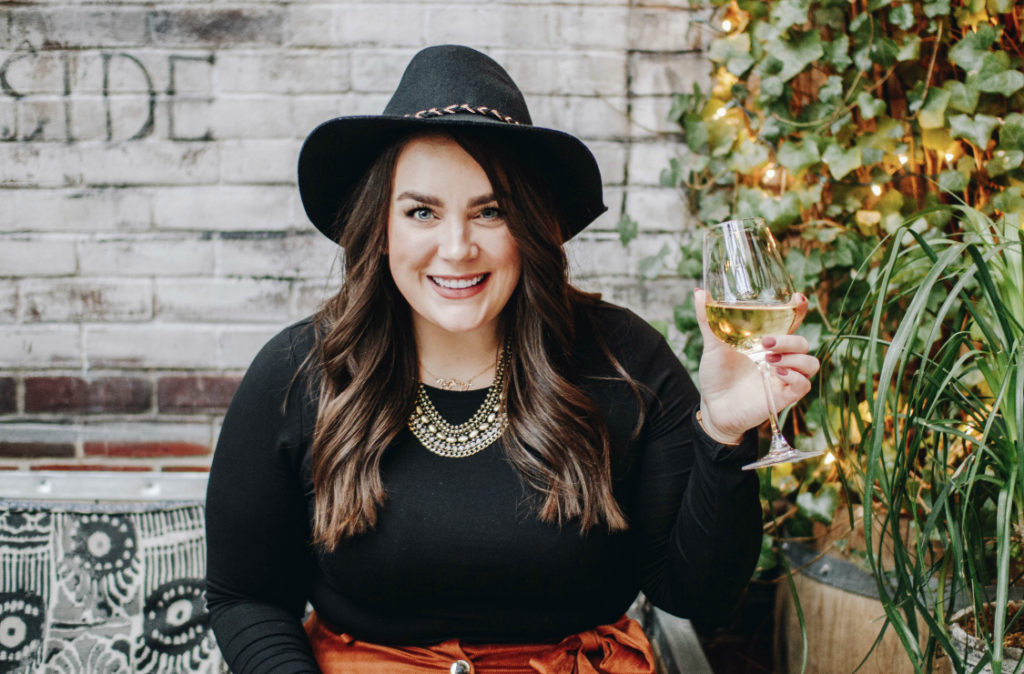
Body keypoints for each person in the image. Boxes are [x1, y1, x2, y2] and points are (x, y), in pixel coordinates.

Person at [204, 44, 818, 674]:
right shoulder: (298, 372)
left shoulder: (624, 360)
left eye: (490, 212)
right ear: (380, 227)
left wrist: (725, 432)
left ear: (532, 226)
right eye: (421, 212)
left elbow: (698, 597)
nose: (457, 247)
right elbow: (243, 595)